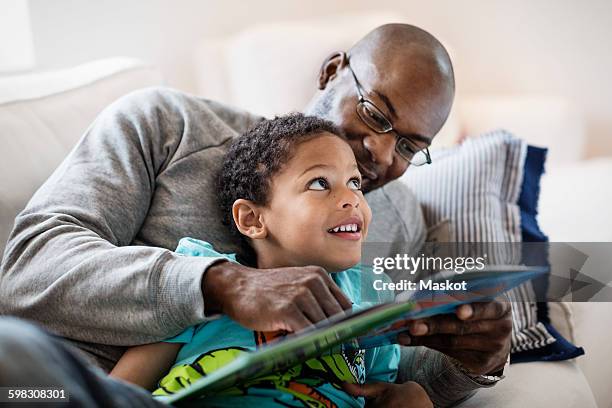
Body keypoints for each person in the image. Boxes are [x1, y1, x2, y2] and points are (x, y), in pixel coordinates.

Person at [0, 24, 510, 406]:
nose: (378, 151)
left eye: (408, 146)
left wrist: (471, 361)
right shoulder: (167, 123)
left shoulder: (396, 216)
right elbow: (26, 268)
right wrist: (219, 284)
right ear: (332, 72)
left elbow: (391, 371)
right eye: (375, 113)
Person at [110, 113, 432, 408]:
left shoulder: (372, 296)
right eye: (319, 183)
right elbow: (117, 391)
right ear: (252, 219)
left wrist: (412, 398)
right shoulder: (203, 280)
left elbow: (377, 395)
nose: (352, 199)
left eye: (354, 183)